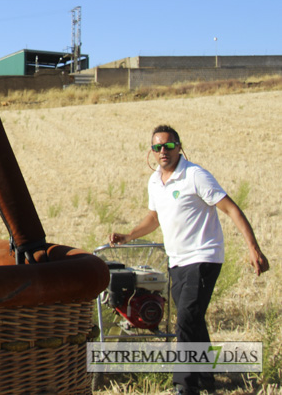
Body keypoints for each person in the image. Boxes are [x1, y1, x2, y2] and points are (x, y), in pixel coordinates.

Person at [109, 124, 269, 395]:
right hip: (177, 261)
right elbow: (154, 218)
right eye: (157, 146)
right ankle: (207, 379)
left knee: (184, 318)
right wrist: (128, 235)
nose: (163, 151)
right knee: (193, 320)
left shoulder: (195, 176)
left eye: (169, 146)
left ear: (179, 147)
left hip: (204, 257)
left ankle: (185, 385)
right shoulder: (155, 181)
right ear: (151, 152)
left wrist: (254, 248)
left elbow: (231, 209)